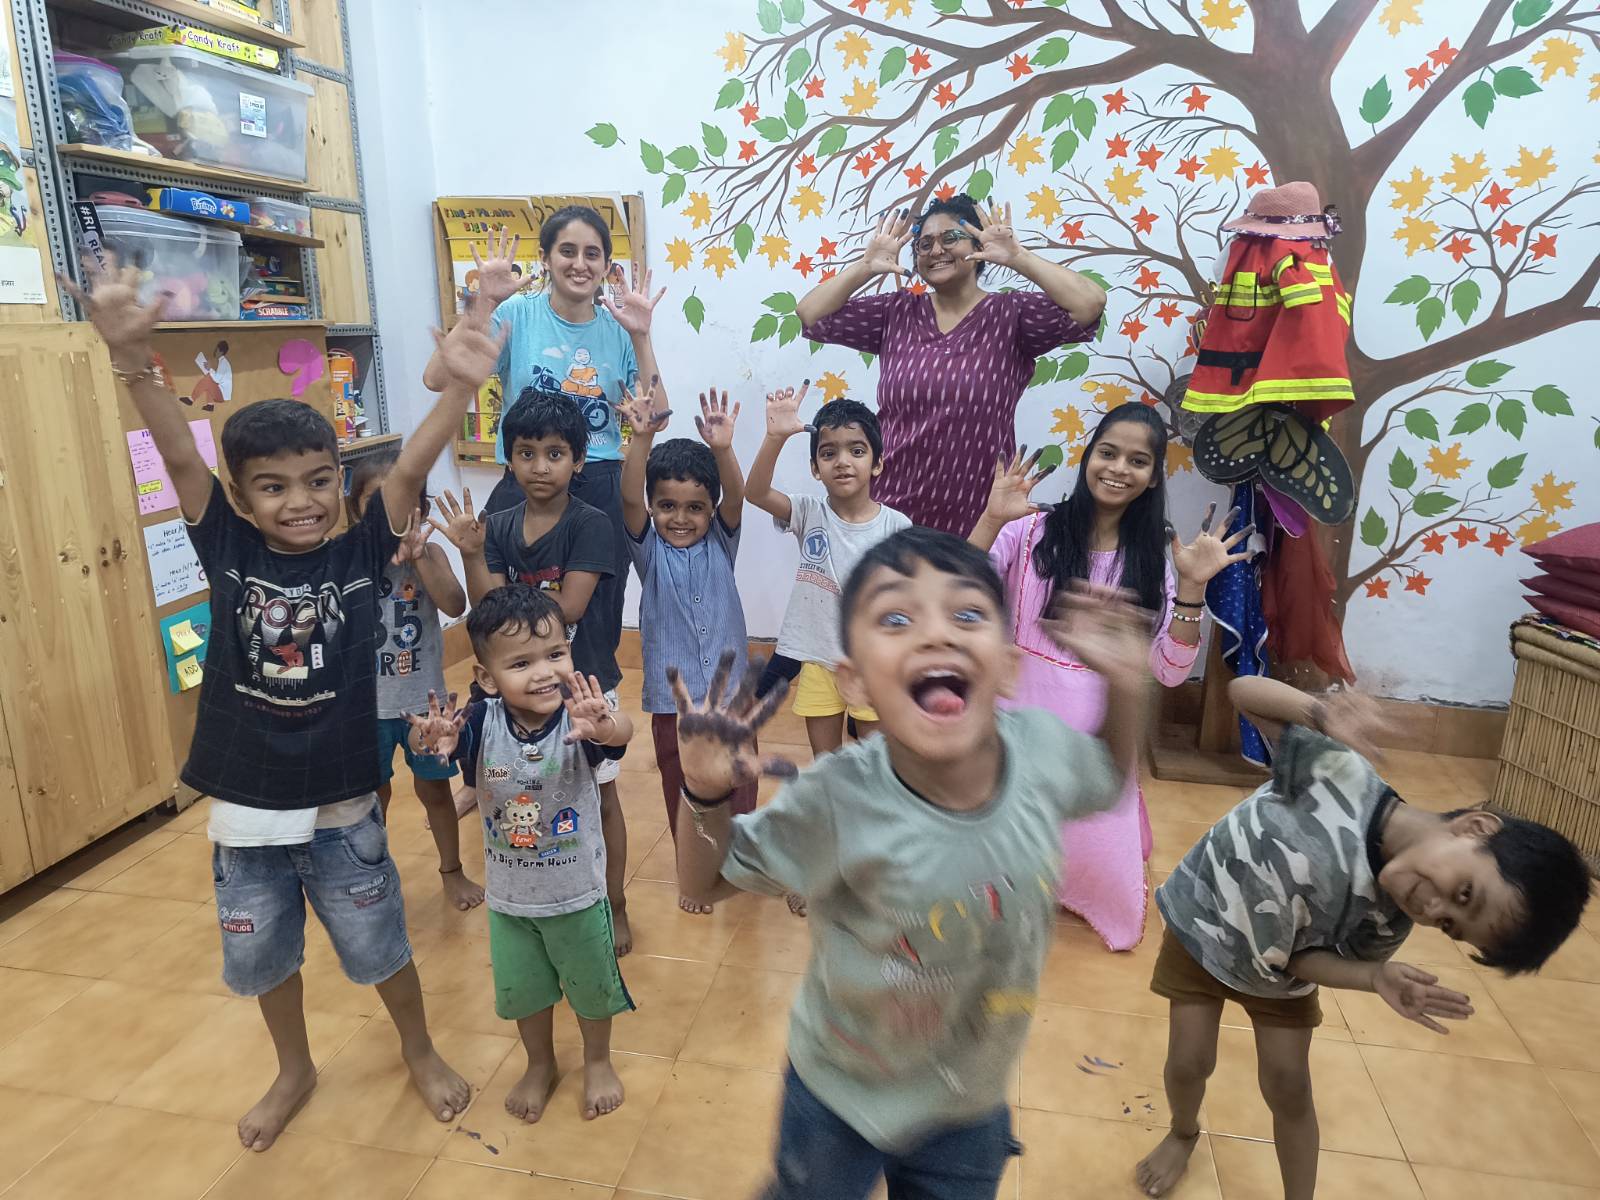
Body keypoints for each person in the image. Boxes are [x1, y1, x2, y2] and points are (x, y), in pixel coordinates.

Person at [65, 264, 499, 1152]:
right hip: (247, 815)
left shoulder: (361, 551)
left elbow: (410, 466)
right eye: (273, 486)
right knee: (265, 959)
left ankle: (418, 1049)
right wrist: (132, 361)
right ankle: (294, 1068)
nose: (300, 501)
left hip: (343, 808)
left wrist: (458, 390)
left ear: (338, 481)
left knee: (382, 948)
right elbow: (180, 458)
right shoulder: (225, 543)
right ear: (239, 496)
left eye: (317, 480)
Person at [672, 527, 1153, 1199]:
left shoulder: (1042, 753)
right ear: (854, 681)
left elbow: (1106, 774)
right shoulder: (837, 799)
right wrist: (703, 792)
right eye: (897, 618)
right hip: (839, 1093)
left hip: (970, 1098)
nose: (936, 635)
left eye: (967, 614)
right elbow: (704, 879)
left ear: (1008, 665)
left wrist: (1127, 686)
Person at [1136, 677, 1592, 1200]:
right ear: (1475, 828)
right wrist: (1319, 714)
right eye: (1464, 893)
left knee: (1289, 1087)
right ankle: (1182, 1133)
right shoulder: (1340, 771)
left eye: (1450, 925)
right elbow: (1241, 691)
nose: (1433, 910)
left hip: (1278, 974)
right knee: (1189, 1062)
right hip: (1203, 928)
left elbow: (1305, 959)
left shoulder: (1391, 920)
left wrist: (1374, 976)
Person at [969, 403, 1253, 951]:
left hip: (1101, 735)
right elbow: (953, 586)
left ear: (1154, 477)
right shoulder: (1029, 531)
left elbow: (1170, 670)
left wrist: (1193, 589)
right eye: (1108, 452)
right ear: (1088, 457)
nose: (1119, 468)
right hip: (1016, 720)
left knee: (1094, 832)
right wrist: (990, 519)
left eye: (1138, 461)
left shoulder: (1154, 560)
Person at [407, 585, 635, 1124]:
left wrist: (604, 724)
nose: (544, 673)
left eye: (555, 654)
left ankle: (597, 1060)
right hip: (510, 903)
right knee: (526, 994)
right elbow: (437, 747)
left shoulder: (579, 718)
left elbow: (620, 733)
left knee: (592, 989)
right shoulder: (481, 723)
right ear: (486, 678)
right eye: (521, 663)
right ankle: (540, 1064)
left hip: (578, 896)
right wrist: (428, 740)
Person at [430, 391, 634, 955]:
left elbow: (567, 609)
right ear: (509, 458)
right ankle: (539, 893)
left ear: (579, 460)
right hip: (514, 688)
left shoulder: (592, 524)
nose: (540, 467)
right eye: (526, 453)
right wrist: (473, 554)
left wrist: (508, 608)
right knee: (524, 792)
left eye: (554, 454)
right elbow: (488, 614)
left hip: (582, 684)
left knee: (602, 799)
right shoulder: (497, 524)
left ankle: (614, 902)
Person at [795, 196, 1105, 536]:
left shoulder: (1011, 315)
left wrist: (1019, 257)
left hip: (980, 519)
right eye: (924, 244)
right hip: (892, 514)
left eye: (950, 238)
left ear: (979, 246)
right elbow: (811, 314)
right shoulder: (896, 313)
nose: (936, 250)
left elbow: (1089, 304)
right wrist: (866, 265)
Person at [616, 380, 759, 913]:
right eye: (668, 506)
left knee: (740, 783)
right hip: (671, 705)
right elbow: (628, 497)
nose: (681, 518)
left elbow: (737, 496)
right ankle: (695, 869)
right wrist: (641, 440)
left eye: (695, 507)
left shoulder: (723, 539)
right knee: (683, 786)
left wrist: (723, 449)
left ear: (711, 510)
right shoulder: (649, 550)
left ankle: (740, 862)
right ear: (653, 508)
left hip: (731, 699)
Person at [345, 449, 480, 912]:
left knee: (435, 790)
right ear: (354, 510)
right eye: (376, 503)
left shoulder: (431, 554)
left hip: (426, 706)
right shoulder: (348, 559)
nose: (390, 513)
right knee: (371, 798)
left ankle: (452, 870)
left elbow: (455, 603)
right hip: (364, 707)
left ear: (419, 508)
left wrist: (419, 557)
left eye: (403, 502)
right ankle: (372, 875)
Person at [745, 383, 911, 758]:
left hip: (872, 665)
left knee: (874, 767)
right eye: (828, 452)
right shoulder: (809, 512)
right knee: (827, 767)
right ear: (815, 468)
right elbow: (755, 493)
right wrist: (775, 438)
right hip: (818, 662)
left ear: (878, 463)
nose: (842, 461)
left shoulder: (896, 526)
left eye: (857, 451)